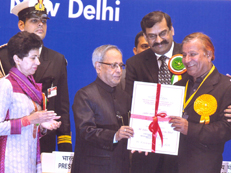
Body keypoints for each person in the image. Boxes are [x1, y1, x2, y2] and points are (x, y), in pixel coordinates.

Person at [0, 0, 72, 152]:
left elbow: (61, 106)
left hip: (44, 139)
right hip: (10, 139)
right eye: (34, 20)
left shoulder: (57, 59)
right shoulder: (2, 56)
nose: (40, 24)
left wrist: (64, 146)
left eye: (44, 21)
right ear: (21, 25)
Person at [126, 11, 186, 173]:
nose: (159, 40)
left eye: (163, 33)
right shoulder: (135, 64)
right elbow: (129, 103)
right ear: (145, 36)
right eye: (152, 36)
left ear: (172, 30)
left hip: (185, 146)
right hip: (148, 149)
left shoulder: (189, 56)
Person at [169, 32, 231, 173]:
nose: (187, 60)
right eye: (184, 55)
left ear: (208, 55)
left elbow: (226, 130)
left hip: (202, 167)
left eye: (192, 54)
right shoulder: (178, 86)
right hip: (171, 165)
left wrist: (189, 128)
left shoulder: (227, 86)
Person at [0, 31, 61, 173]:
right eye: (33, 58)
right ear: (17, 59)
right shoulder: (6, 85)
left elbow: (29, 127)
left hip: (29, 159)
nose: (38, 63)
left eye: (38, 58)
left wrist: (42, 125)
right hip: (10, 160)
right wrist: (30, 120)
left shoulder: (31, 87)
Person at [71, 45, 134, 173]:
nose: (119, 70)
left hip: (121, 167)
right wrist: (115, 135)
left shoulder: (125, 97)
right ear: (98, 67)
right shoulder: (84, 95)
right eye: (113, 65)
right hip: (93, 167)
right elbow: (86, 131)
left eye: (121, 65)